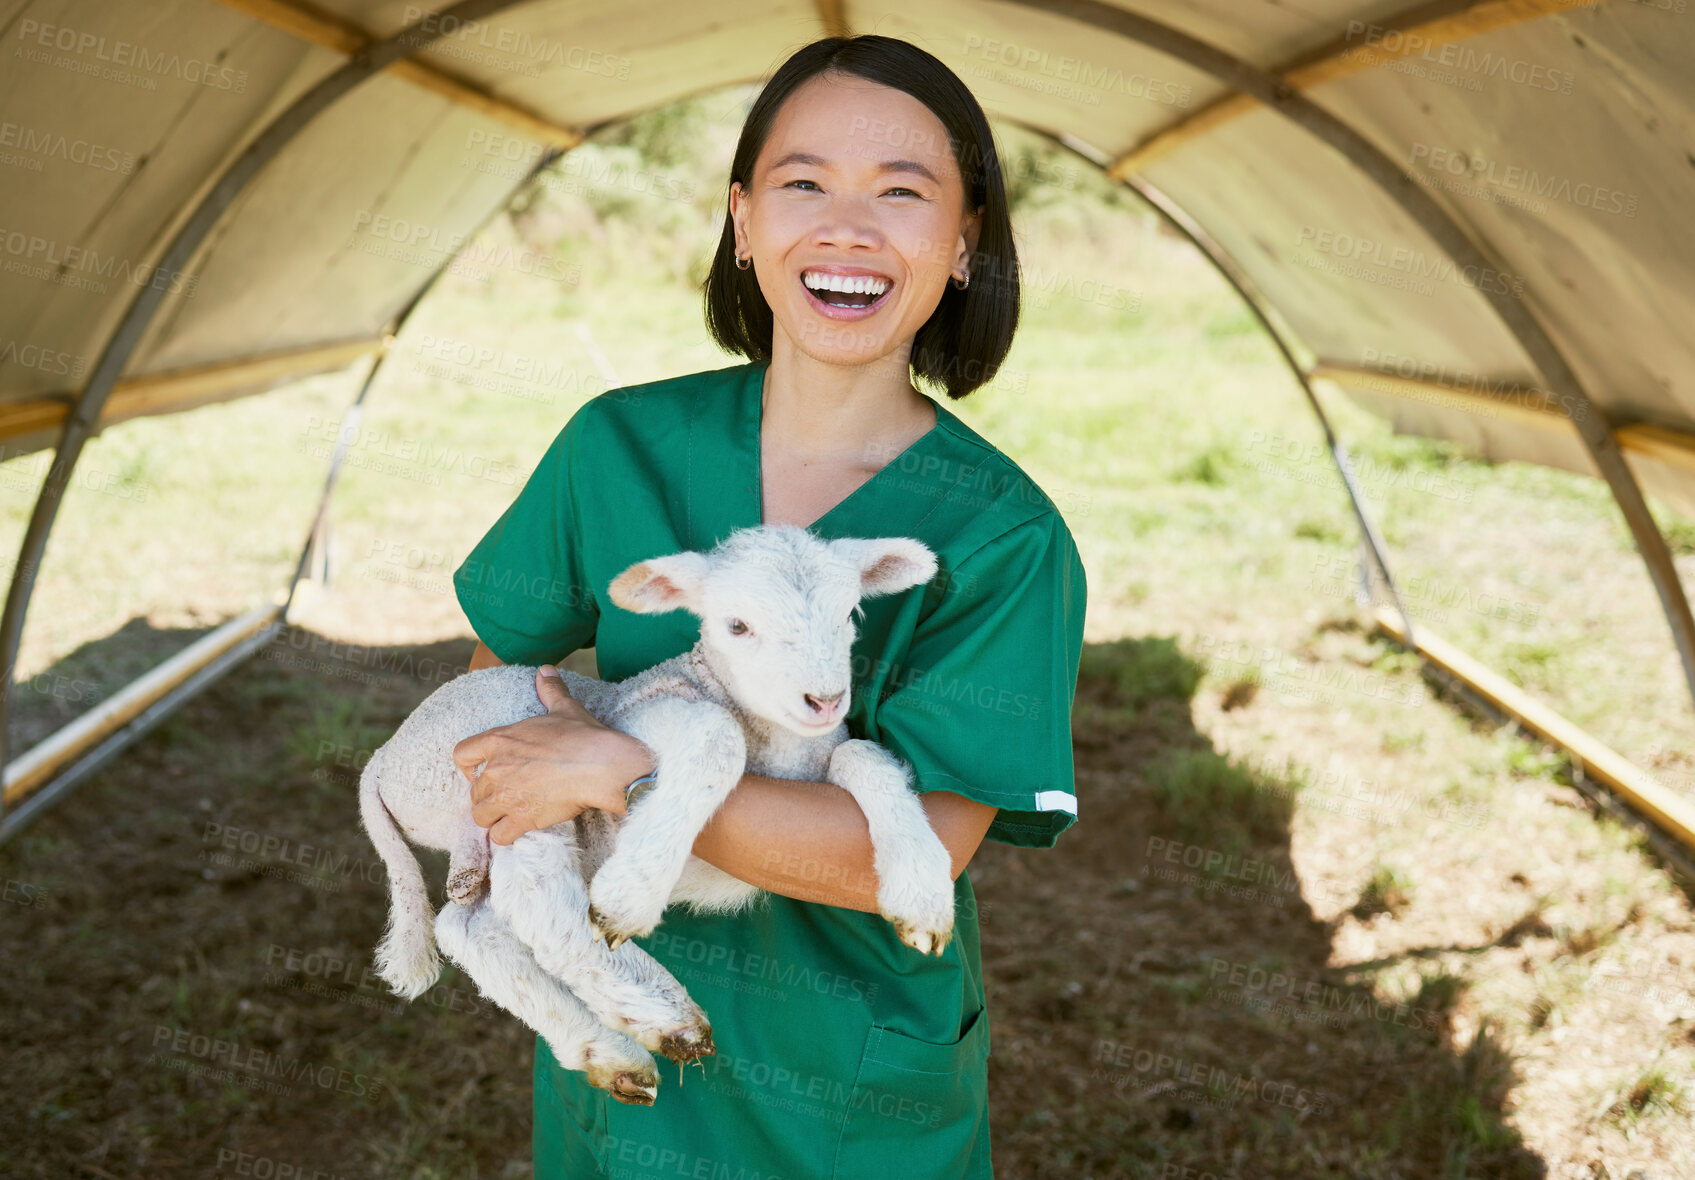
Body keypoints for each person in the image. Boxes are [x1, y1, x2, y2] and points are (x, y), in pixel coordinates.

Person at [447, 34, 1087, 1180]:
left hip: (850, 1071)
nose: (847, 228)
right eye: (804, 185)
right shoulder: (618, 444)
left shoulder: (1002, 534)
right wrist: (551, 787)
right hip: (628, 1007)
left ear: (962, 243)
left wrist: (615, 767)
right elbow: (514, 668)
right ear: (743, 223)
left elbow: (902, 857)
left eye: (903, 193)